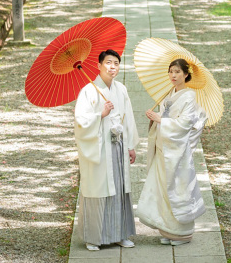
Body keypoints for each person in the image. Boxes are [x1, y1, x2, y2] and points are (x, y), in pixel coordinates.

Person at [136, 58, 208, 246]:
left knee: (178, 188)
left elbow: (185, 124)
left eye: (177, 72)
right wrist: (155, 120)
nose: (173, 75)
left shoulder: (189, 97)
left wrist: (161, 120)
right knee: (163, 189)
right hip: (164, 147)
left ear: (186, 74)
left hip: (178, 151)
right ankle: (168, 230)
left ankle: (182, 233)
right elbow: (166, 117)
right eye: (171, 71)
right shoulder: (169, 94)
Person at [74, 49, 139, 251]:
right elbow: (81, 121)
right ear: (99, 65)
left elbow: (128, 117)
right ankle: (94, 237)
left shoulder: (121, 89)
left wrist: (130, 146)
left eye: (116, 63)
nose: (113, 66)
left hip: (118, 145)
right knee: (100, 189)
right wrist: (100, 114)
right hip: (100, 147)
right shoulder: (88, 91)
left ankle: (120, 234)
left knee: (119, 188)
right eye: (108, 63)